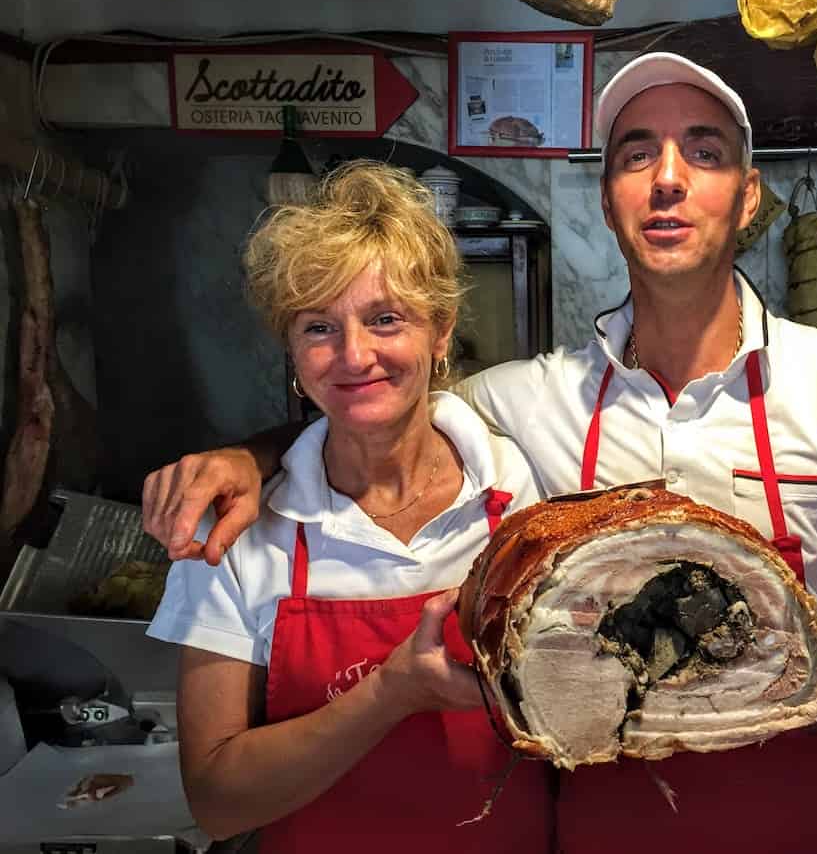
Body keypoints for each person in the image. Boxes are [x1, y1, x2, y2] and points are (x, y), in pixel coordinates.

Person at [143, 54, 817, 853]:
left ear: (750, 195)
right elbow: (374, 411)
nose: (668, 178)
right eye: (636, 155)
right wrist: (246, 460)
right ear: (607, 199)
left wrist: (741, 696)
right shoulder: (522, 405)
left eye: (704, 152)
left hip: (802, 829)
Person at [144, 161, 553, 852]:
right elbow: (216, 801)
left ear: (441, 331)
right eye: (318, 328)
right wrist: (389, 694)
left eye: (385, 319)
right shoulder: (237, 534)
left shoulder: (528, 493)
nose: (354, 355)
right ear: (293, 352)